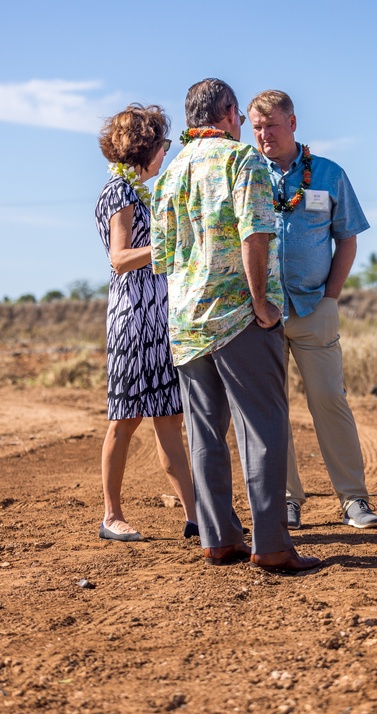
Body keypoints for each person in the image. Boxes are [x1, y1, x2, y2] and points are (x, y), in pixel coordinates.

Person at [150, 79, 320, 574]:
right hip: (238, 316)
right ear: (228, 113)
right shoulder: (240, 160)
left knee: (205, 433)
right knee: (263, 428)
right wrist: (261, 301)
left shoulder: (169, 174)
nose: (243, 125)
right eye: (240, 117)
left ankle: (219, 538)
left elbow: (162, 260)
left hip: (184, 319)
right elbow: (255, 233)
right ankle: (271, 544)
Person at [247, 90, 377, 531]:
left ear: (293, 123)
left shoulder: (328, 174)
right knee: (272, 409)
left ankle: (354, 500)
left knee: (329, 399)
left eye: (271, 125)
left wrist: (331, 297)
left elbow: (348, 237)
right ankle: (287, 500)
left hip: (313, 307)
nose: (264, 134)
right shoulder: (246, 175)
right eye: (256, 127)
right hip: (259, 314)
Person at [94, 103, 197, 542]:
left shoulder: (138, 193)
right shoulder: (120, 193)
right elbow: (119, 259)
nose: (166, 154)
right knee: (126, 419)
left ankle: (198, 517)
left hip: (156, 315)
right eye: (163, 145)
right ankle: (111, 516)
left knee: (169, 417)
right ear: (146, 147)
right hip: (135, 317)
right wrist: (174, 245)